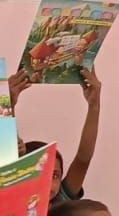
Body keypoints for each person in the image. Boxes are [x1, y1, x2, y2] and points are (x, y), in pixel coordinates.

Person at [10, 67, 103, 203]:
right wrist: (8, 106)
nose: (48, 184)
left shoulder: (59, 202)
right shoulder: (10, 200)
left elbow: (83, 160)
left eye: (54, 175)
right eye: (39, 172)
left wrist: (94, 105)